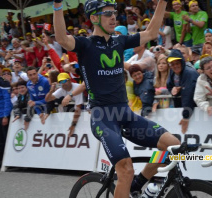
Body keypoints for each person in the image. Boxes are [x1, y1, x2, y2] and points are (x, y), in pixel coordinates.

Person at [53, 0, 180, 197]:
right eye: (107, 14)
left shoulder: (119, 41)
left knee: (173, 145)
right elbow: (61, 38)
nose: (113, 16)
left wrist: (163, 2)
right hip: (102, 117)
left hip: (125, 114)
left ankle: (140, 183)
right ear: (94, 18)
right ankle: (131, 181)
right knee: (126, 170)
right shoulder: (85, 44)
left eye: (114, 12)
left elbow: (152, 33)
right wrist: (58, 5)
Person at [167, 49, 199, 133]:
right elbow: (169, 85)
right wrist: (173, 89)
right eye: (172, 64)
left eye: (177, 63)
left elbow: (188, 95)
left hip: (196, 109)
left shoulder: (189, 73)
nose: (175, 66)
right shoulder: (172, 72)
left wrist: (186, 116)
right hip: (184, 109)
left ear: (182, 62)